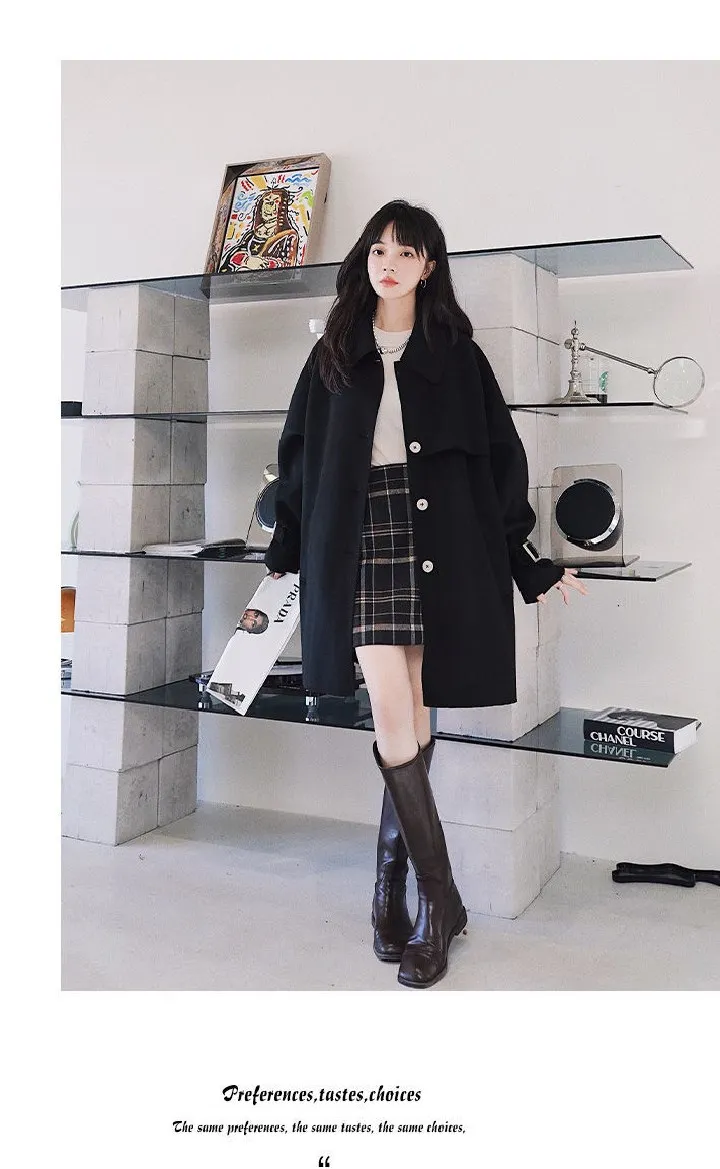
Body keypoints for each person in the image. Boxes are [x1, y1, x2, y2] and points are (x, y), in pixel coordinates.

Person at [264, 200, 588, 989]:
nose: (390, 263)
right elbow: (299, 457)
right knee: (391, 711)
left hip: (439, 536)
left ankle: (390, 888)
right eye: (379, 249)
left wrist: (528, 560)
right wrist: (287, 548)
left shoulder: (456, 354)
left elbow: (499, 460)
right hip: (361, 538)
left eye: (406, 252)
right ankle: (439, 902)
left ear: (428, 267)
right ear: (366, 259)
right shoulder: (333, 351)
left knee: (411, 712)